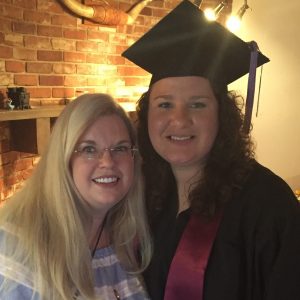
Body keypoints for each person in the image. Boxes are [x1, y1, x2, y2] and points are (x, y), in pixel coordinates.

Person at [122, 1, 300, 299]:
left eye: (197, 104)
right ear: (147, 116)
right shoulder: (142, 196)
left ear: (222, 114)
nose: (179, 119)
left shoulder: (268, 205)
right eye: (164, 104)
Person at [0, 93, 152, 300]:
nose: (108, 162)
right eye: (89, 149)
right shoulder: (16, 246)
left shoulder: (128, 236)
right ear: (63, 159)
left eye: (120, 148)